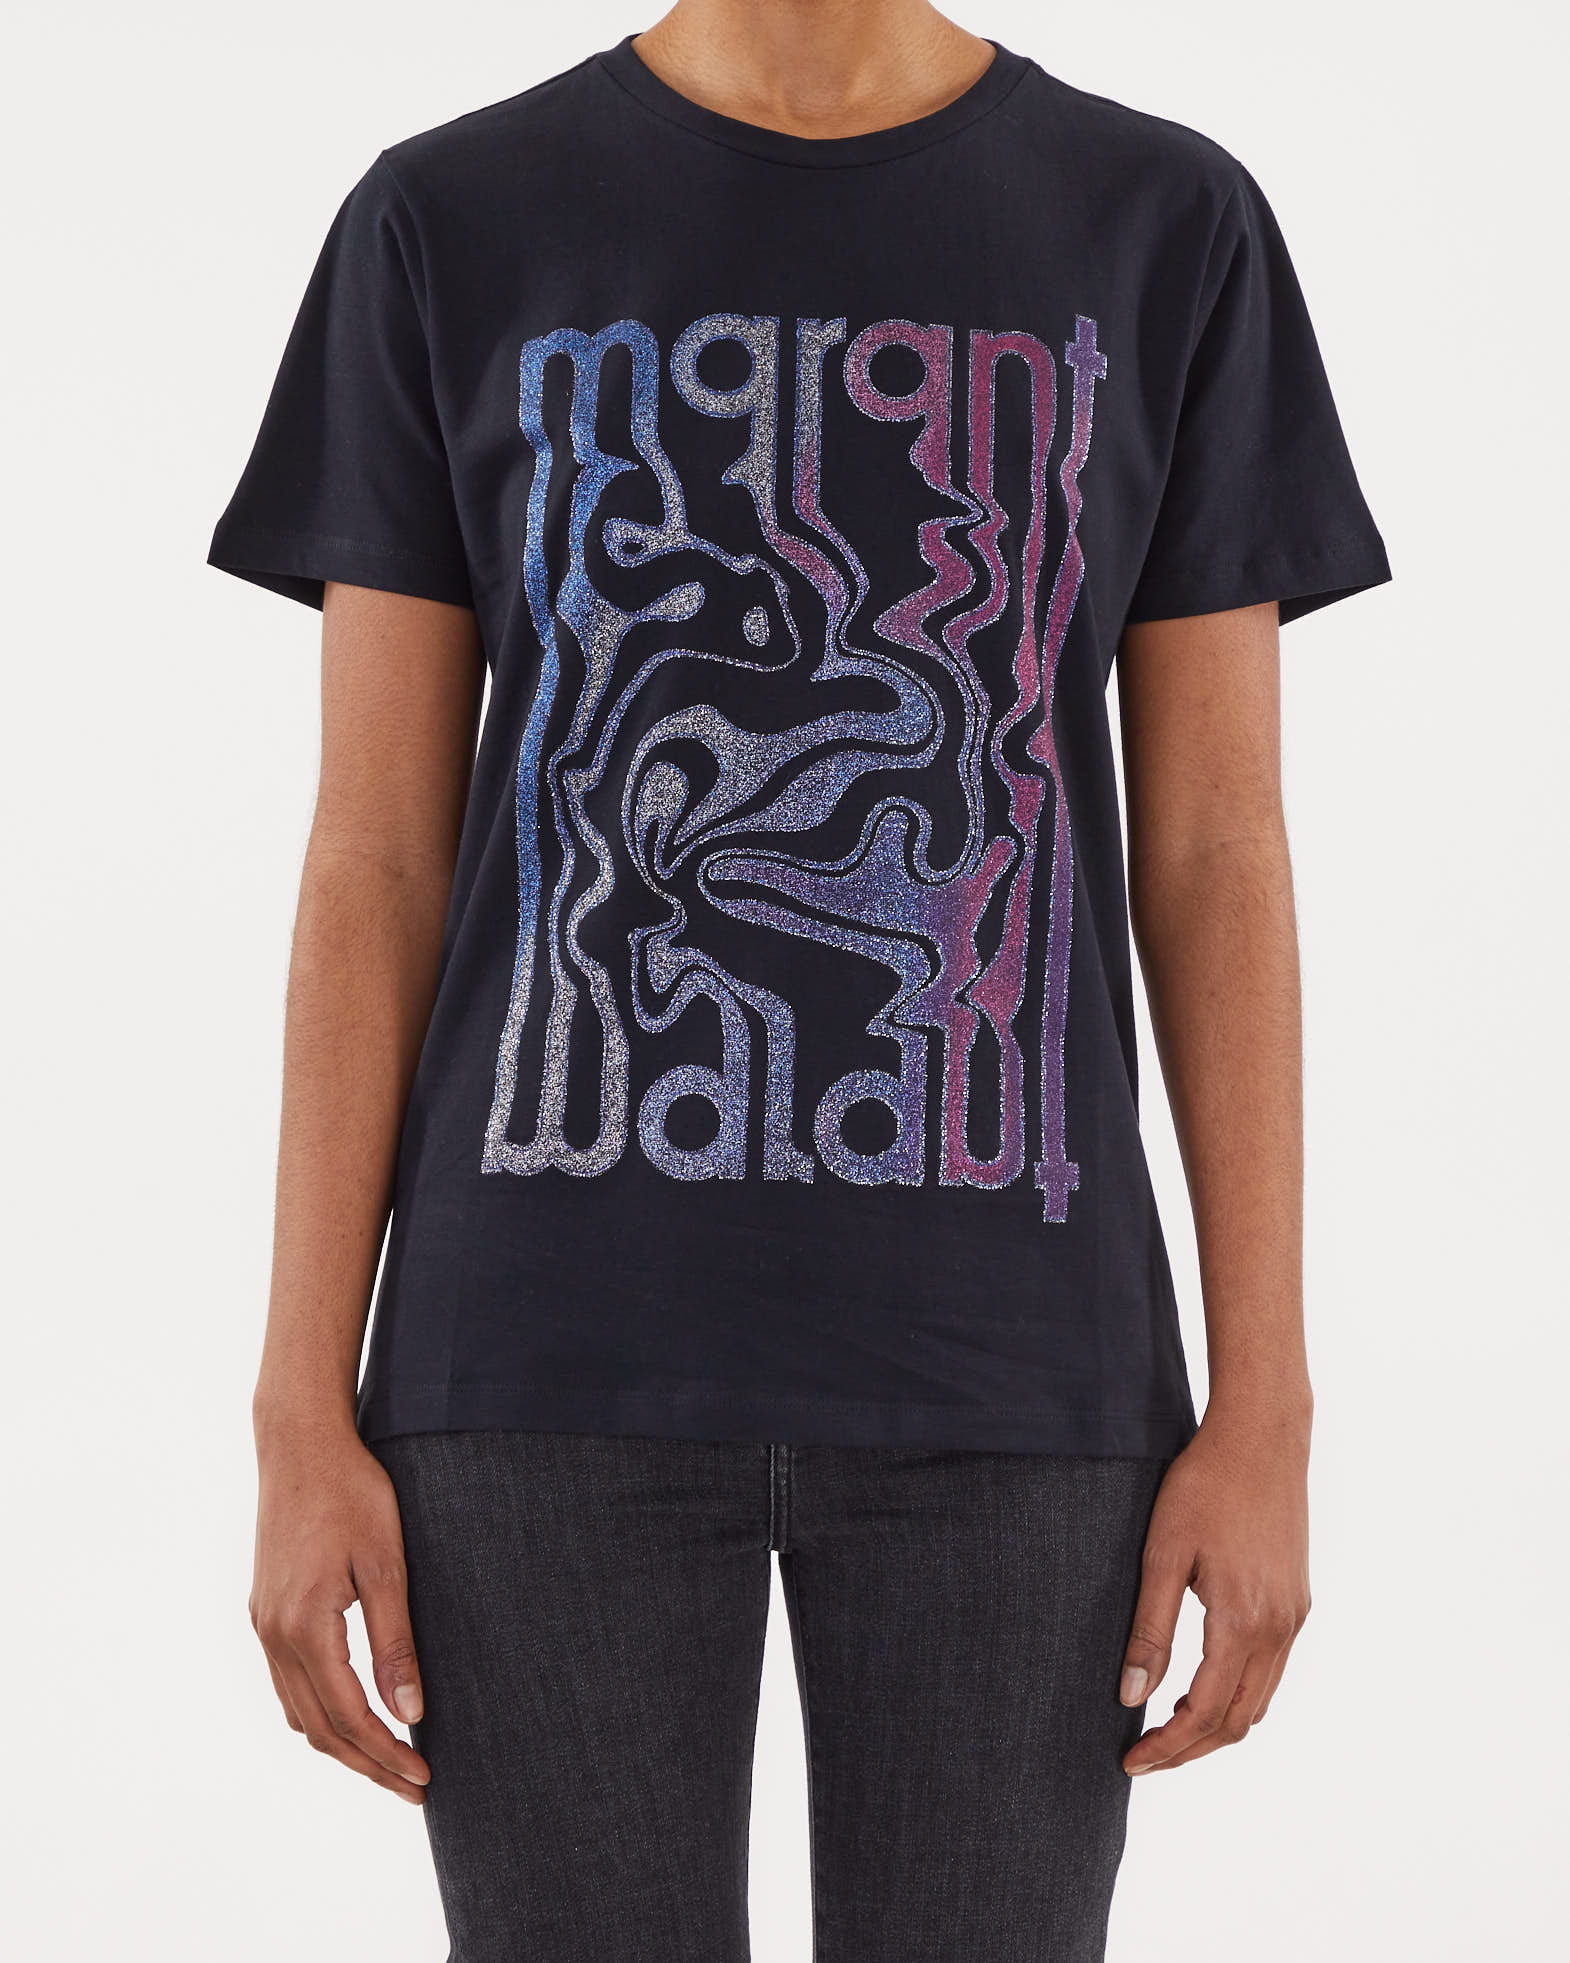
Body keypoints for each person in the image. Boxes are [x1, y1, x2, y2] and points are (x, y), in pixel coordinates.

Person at [209, 2, 1390, 1956]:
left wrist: (1265, 1402)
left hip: (1016, 1374)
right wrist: (292, 1412)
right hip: (537, 1371)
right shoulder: (450, 217)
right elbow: (376, 860)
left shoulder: (1159, 223)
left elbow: (1213, 852)